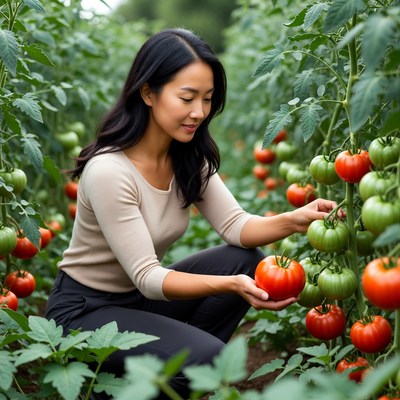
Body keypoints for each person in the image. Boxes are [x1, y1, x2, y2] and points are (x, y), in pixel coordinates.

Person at [45, 28, 342, 399]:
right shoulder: (110, 170)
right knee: (211, 357)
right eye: (187, 98)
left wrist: (295, 220)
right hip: (85, 313)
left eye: (207, 98)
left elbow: (235, 226)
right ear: (148, 92)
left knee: (242, 260)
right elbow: (148, 277)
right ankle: (123, 385)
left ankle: (171, 371)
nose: (199, 112)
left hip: (136, 304)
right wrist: (230, 286)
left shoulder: (187, 156)